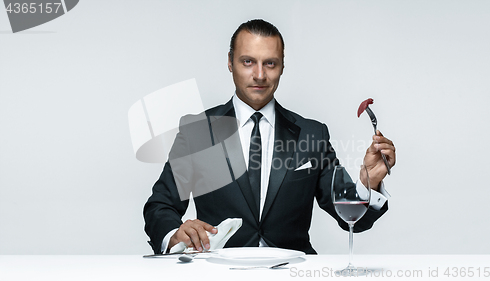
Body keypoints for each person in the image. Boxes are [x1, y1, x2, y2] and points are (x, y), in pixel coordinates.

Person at [143, 19, 396, 254]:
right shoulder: (198, 131)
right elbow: (159, 206)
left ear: (282, 65)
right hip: (218, 273)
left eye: (270, 63)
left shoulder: (312, 134)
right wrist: (174, 236)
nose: (260, 75)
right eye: (248, 62)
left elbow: (351, 219)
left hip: (292, 273)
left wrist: (369, 184)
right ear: (230, 62)